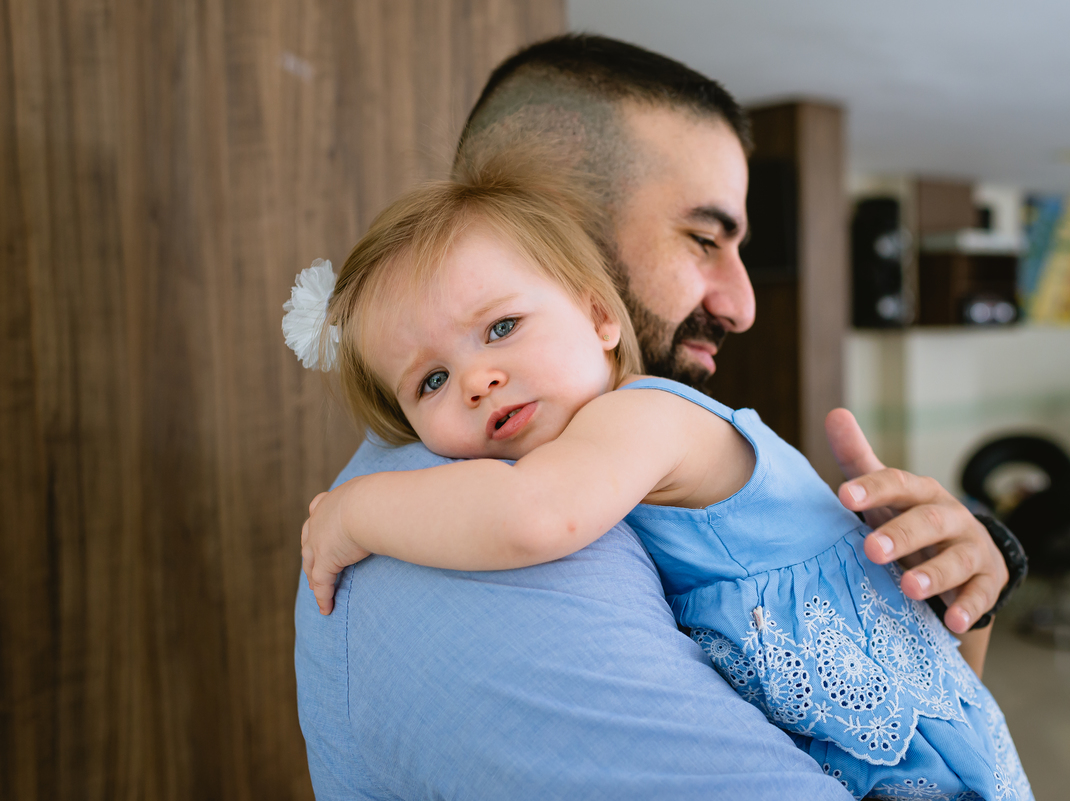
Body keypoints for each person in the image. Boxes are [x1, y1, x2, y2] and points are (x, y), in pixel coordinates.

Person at [292, 34, 1020, 800]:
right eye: (703, 238)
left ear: (597, 312)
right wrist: (354, 518)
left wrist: (956, 599)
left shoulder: (623, 432)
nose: (741, 304)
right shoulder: (459, 535)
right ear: (560, 228)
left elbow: (911, 716)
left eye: (501, 329)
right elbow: (529, 515)